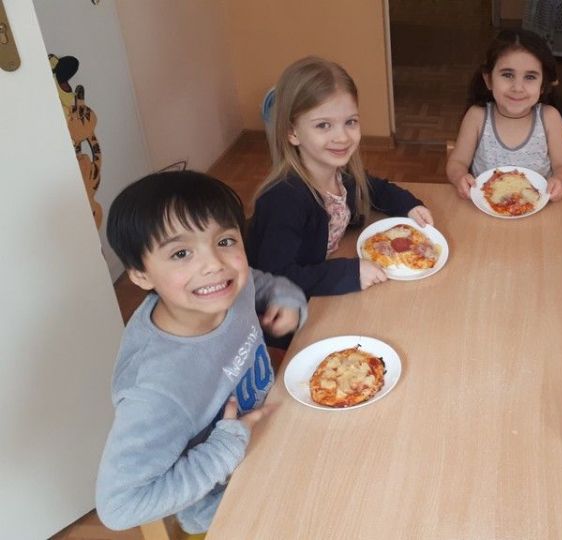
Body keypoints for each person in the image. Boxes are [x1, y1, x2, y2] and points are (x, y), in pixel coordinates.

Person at [96, 171, 307, 533]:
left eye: (225, 241)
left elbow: (256, 282)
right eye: (181, 253)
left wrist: (284, 297)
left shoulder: (226, 288)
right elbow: (119, 506)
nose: (214, 264)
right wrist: (225, 447)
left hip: (277, 427)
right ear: (141, 275)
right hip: (228, 503)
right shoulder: (157, 389)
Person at [247, 57, 434, 296]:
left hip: (327, 270)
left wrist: (408, 205)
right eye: (323, 125)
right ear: (292, 132)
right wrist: (349, 273)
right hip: (288, 306)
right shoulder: (284, 200)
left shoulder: (342, 173)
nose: (342, 137)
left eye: (350, 122)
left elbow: (375, 188)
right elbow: (276, 277)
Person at [446, 28, 562, 201]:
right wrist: (459, 177)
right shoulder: (477, 116)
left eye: (530, 77)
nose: (517, 88)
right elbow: (457, 162)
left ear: (543, 85)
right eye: (507, 75)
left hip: (538, 206)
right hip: (485, 205)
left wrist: (560, 180)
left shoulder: (549, 118)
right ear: (488, 80)